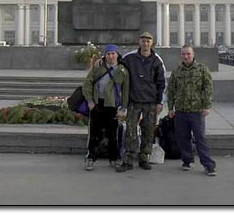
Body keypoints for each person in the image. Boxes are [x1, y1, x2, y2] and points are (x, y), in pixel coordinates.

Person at [115, 32, 166, 172]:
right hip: (134, 102)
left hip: (150, 102)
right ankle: (129, 160)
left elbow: (161, 83)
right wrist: (101, 60)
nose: (145, 44)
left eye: (148, 41)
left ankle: (144, 158)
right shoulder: (130, 59)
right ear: (139, 42)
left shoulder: (156, 61)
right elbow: (117, 64)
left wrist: (160, 101)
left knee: (148, 131)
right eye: (143, 41)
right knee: (130, 132)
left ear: (152, 43)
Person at [167, 45, 217, 176]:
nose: (186, 56)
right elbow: (171, 90)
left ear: (193, 54)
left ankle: (208, 165)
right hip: (181, 111)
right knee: (183, 138)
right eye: (183, 54)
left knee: (200, 138)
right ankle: (188, 160)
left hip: (196, 111)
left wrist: (207, 105)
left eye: (188, 54)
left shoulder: (202, 69)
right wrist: (170, 108)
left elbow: (208, 88)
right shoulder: (177, 71)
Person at [82, 44, 129, 171]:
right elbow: (87, 84)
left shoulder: (122, 71)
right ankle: (91, 158)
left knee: (112, 134)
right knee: (94, 133)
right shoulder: (98, 67)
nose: (111, 56)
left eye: (113, 53)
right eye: (108, 54)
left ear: (117, 55)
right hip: (97, 104)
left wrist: (123, 108)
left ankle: (113, 159)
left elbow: (126, 91)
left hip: (112, 106)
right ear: (105, 55)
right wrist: (90, 101)